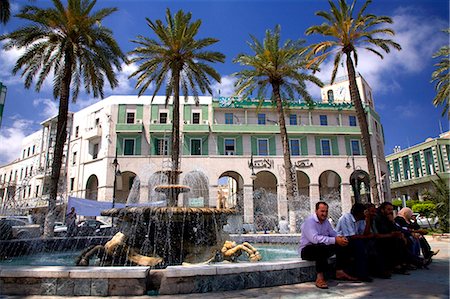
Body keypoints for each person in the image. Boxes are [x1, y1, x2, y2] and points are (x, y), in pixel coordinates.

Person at [299, 201, 357, 289]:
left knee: (343, 243)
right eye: (322, 211)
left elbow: (332, 232)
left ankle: (339, 271)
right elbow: (315, 239)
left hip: (321, 247)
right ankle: (320, 278)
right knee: (320, 246)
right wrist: (334, 240)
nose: (324, 214)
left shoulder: (326, 222)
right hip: (307, 250)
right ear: (316, 211)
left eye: (326, 211)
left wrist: (340, 238)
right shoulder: (309, 222)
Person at [335, 203, 373, 282]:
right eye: (365, 212)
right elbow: (351, 236)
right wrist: (366, 237)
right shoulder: (346, 218)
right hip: (341, 243)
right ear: (360, 213)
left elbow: (365, 233)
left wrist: (368, 219)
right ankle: (362, 274)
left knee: (371, 243)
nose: (367, 214)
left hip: (353, 241)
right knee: (359, 244)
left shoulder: (361, 220)